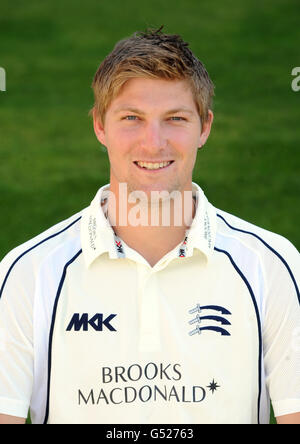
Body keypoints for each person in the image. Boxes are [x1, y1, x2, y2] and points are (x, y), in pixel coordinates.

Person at [0, 28, 299, 425]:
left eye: (175, 118)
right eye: (132, 118)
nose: (153, 142)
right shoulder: (29, 273)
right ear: (100, 127)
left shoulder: (272, 266)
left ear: (204, 127)